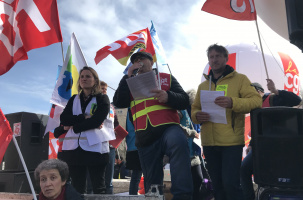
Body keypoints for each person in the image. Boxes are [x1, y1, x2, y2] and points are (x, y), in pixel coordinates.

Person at [113, 51, 193, 199]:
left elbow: (184, 100)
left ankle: (183, 196)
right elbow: (119, 102)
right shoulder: (129, 83)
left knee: (178, 142)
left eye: (142, 59)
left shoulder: (166, 78)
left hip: (168, 128)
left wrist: (168, 96)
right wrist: (127, 76)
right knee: (152, 179)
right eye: (135, 61)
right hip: (145, 136)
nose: (139, 62)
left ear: (151, 61)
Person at [191, 44, 262, 200]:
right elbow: (194, 109)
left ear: (225, 58)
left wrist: (232, 102)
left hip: (231, 142)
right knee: (218, 186)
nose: (214, 60)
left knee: (231, 185)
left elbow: (256, 101)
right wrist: (197, 115)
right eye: (211, 57)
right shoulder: (203, 85)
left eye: (218, 56)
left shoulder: (240, 79)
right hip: (209, 142)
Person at [241, 79, 302, 200]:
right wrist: (252, 145)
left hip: (283, 146)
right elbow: (258, 130)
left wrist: (276, 91)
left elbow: (297, 100)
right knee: (244, 169)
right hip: (262, 147)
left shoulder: (274, 99)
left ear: (259, 91)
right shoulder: (254, 106)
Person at [59, 66, 110, 194]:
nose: (84, 79)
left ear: (95, 80)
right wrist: (83, 117)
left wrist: (75, 126)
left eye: (88, 76)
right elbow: (64, 119)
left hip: (95, 148)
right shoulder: (74, 99)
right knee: (77, 188)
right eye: (82, 76)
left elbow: (97, 120)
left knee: (99, 188)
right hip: (74, 150)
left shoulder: (102, 98)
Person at [101, 80, 120, 194]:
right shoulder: (92, 102)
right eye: (102, 88)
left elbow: (116, 123)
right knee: (95, 178)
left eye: (105, 89)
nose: (104, 90)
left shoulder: (112, 107)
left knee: (109, 180)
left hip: (110, 146)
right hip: (95, 145)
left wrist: (116, 131)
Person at [125, 107, 143, 195]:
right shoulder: (137, 107)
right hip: (140, 146)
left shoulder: (129, 109)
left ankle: (132, 196)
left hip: (132, 146)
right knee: (146, 177)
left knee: (135, 177)